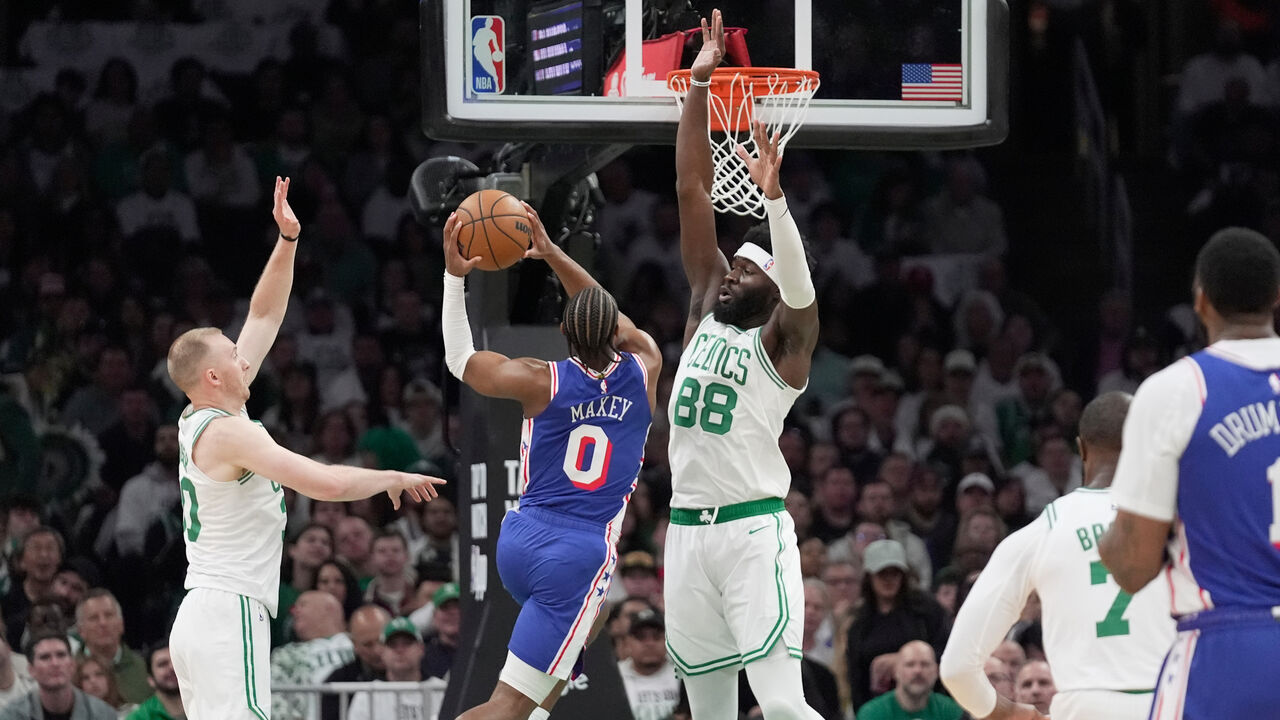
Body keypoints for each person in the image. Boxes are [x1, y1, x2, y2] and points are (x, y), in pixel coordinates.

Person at [163, 177, 444, 720]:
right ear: (215, 375)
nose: (246, 358)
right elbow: (328, 483)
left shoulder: (205, 412)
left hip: (202, 616)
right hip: (229, 612)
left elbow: (265, 316)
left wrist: (287, 241)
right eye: (233, 354)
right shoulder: (230, 433)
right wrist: (391, 477)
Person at [441, 190, 661, 720]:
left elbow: (459, 359)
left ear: (563, 333)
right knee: (505, 709)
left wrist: (453, 277)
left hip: (522, 537)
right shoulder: (646, 365)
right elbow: (610, 316)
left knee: (591, 623)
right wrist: (555, 253)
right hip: (577, 553)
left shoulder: (542, 380)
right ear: (617, 331)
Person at [664, 11, 823, 720]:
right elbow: (692, 192)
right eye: (734, 266)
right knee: (710, 714)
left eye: (748, 271)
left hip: (753, 530)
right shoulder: (704, 302)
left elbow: (797, 287)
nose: (732, 274)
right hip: (685, 531)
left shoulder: (784, 344)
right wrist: (700, 83)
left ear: (773, 289)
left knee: (783, 708)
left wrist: (776, 204)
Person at [1099, 227, 1280, 718]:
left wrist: (1113, 541)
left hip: (1228, 647)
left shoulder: (1176, 390)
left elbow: (1133, 567)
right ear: (1276, 297)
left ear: (1200, 301)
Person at [941, 392, 1174, 719]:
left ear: (1080, 449)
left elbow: (956, 669)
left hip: (1083, 708)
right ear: (1146, 444)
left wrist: (1012, 713)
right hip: (1170, 703)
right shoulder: (1180, 523)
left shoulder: (1042, 531)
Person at [845, 540, 948, 710]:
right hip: (878, 709)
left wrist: (903, 661)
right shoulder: (860, 623)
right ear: (869, 576)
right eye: (882, 573)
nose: (889, 580)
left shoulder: (926, 610)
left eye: (895, 573)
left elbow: (945, 652)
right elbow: (856, 678)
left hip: (928, 704)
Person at [269, 592, 354, 720]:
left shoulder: (360, 645)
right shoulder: (286, 656)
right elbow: (276, 703)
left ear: (329, 608)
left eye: (302, 605)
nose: (294, 611)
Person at [0, 632, 115, 720]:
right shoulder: (12, 716)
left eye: (61, 655)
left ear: (72, 665)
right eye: (45, 657)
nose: (55, 663)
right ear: (31, 670)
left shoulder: (102, 714)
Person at [75, 590, 150, 705]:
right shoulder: (70, 672)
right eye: (94, 618)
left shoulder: (145, 669)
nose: (103, 623)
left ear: (121, 624)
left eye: (109, 615)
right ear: (80, 630)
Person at [345, 618, 428, 720]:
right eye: (392, 644)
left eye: (407, 643)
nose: (400, 650)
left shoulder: (440, 690)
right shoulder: (367, 695)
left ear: (421, 648)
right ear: (382, 651)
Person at [856, 641, 962, 720]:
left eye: (925, 664)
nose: (918, 671)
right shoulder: (872, 714)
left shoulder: (952, 712)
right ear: (896, 671)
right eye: (910, 664)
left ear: (936, 671)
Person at [319, 605, 390, 720]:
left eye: (382, 641)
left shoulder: (418, 672)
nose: (377, 651)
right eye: (368, 644)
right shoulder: (338, 682)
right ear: (354, 644)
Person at [617, 610, 681, 720]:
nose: (649, 643)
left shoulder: (683, 674)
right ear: (627, 642)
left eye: (656, 637)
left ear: (668, 639)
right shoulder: (614, 676)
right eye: (641, 637)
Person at [124, 644, 184, 720]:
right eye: (163, 664)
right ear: (151, 679)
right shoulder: (139, 717)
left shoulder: (202, 701)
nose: (172, 667)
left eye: (175, 661)